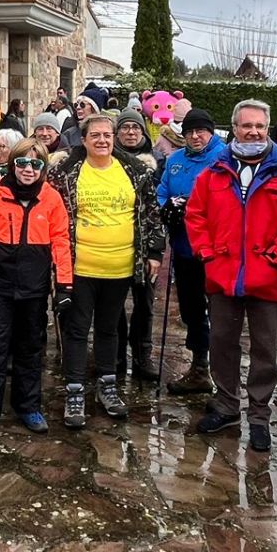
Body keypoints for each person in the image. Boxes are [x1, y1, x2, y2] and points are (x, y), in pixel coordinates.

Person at [187, 100, 277, 452]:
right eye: (246, 126)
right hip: (223, 275)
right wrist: (207, 254)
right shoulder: (214, 172)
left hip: (265, 275)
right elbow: (196, 216)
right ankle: (225, 404)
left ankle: (258, 414)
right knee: (221, 342)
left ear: (268, 128)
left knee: (264, 348)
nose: (253, 131)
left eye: (259, 126)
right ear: (234, 128)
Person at [46, 112, 165, 426]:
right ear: (84, 140)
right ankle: (74, 390)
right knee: (76, 328)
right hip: (80, 266)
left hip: (120, 267)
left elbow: (152, 214)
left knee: (109, 328)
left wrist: (154, 252)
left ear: (114, 139)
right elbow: (51, 214)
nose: (102, 140)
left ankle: (107, 384)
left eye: (107, 135)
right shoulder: (66, 172)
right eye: (95, 135)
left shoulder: (134, 171)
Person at [0, 140, 70, 440]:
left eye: (35, 165)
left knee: (30, 349)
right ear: (13, 164)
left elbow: (61, 242)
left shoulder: (51, 199)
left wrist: (64, 285)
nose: (28, 170)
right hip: (0, 286)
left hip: (34, 289)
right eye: (22, 163)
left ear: (43, 168)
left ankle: (28, 405)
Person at [155, 107, 228, 395]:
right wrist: (167, 207)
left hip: (215, 249)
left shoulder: (224, 158)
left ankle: (223, 375)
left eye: (201, 131)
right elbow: (163, 190)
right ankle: (199, 368)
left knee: (220, 311)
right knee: (191, 309)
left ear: (211, 132)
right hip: (184, 247)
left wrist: (196, 207)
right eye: (189, 132)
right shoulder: (175, 160)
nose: (195, 136)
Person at [111, 110, 160, 381]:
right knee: (113, 304)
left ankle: (143, 354)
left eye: (135, 128)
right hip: (116, 246)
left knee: (145, 304)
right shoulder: (107, 163)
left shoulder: (156, 165)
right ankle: (116, 354)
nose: (130, 132)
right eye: (125, 128)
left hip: (143, 248)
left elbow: (156, 210)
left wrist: (155, 250)